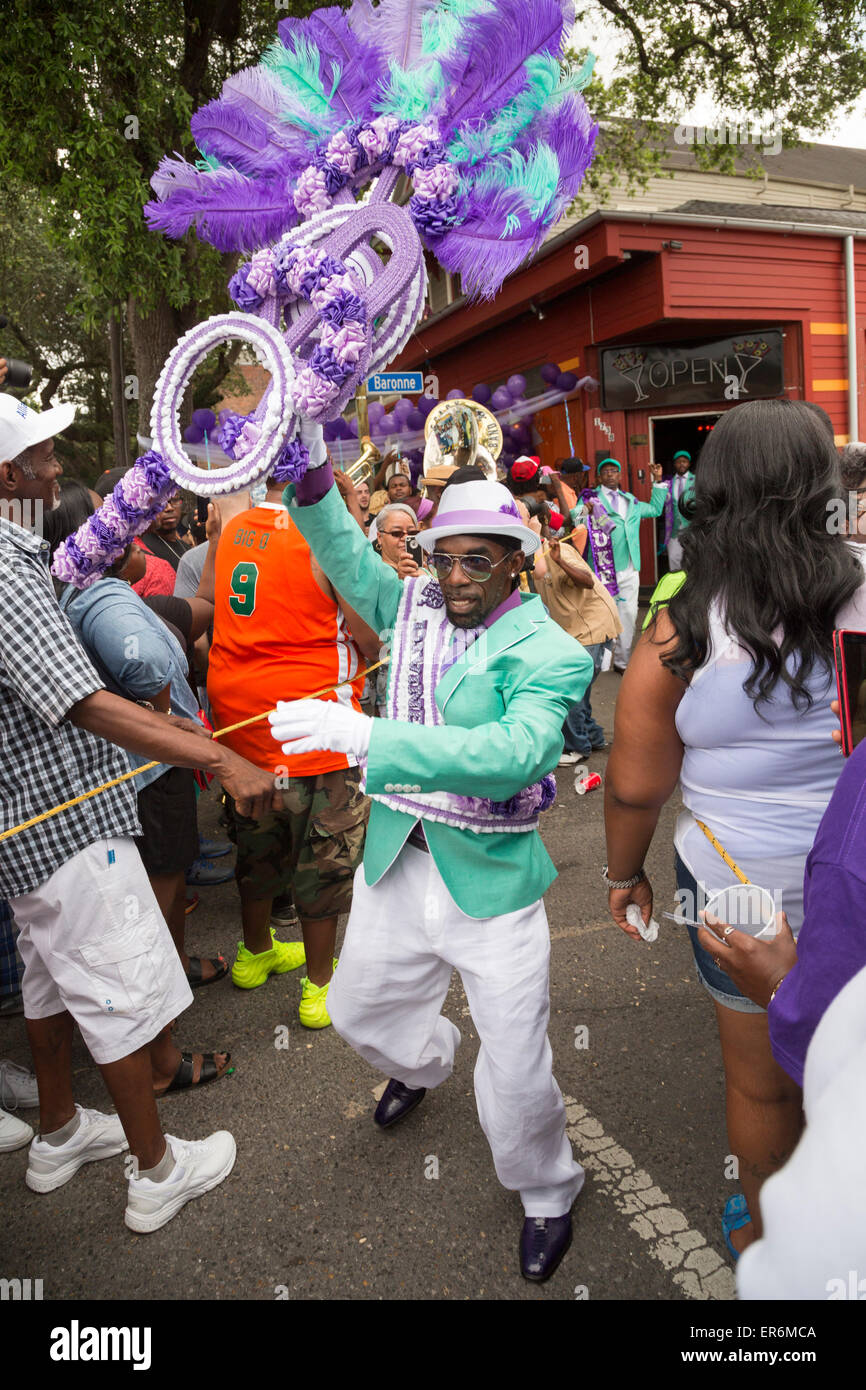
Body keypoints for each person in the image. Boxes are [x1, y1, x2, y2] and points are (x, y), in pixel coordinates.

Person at [269, 423, 594, 1283]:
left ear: (515, 562)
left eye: (474, 560)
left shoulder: (551, 651)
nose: (452, 576)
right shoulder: (411, 601)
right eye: (442, 556)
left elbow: (517, 756)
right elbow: (344, 550)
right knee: (358, 1012)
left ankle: (547, 1191)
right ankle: (425, 1063)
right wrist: (307, 463)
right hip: (395, 861)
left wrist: (372, 736)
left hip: (491, 885)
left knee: (519, 1067)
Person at [0, 394, 279, 1229]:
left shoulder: (24, 553)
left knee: (49, 989)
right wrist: (220, 756)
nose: (57, 468)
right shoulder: (6, 565)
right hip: (65, 826)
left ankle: (58, 1131)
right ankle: (156, 1171)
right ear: (6, 472)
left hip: (28, 833)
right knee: (118, 993)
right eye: (42, 455)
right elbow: (82, 700)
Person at [602, 398, 866, 1261]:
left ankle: (765, 1233)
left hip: (732, 883)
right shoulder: (860, 591)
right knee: (849, 1053)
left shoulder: (679, 619)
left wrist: (621, 874)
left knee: (759, 1086)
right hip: (851, 877)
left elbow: (636, 786)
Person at [207, 464, 377, 1028]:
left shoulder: (233, 525)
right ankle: (320, 986)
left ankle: (254, 953)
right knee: (321, 859)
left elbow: (211, 604)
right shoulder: (325, 537)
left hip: (242, 729)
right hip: (313, 730)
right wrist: (350, 524)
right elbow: (370, 633)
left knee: (258, 845)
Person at [526, 482, 621, 765]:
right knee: (582, 688)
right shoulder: (531, 558)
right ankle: (594, 736)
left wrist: (560, 560)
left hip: (592, 627)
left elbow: (587, 580)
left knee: (573, 689)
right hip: (577, 630)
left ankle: (577, 747)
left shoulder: (557, 549)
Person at [588, 457, 667, 671]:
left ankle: (622, 662)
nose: (611, 474)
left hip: (631, 568)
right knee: (604, 616)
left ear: (620, 475)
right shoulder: (591, 499)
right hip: (604, 569)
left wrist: (657, 481)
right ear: (599, 477)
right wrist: (583, 512)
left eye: (614, 470)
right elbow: (576, 518)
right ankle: (603, 663)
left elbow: (654, 510)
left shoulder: (630, 500)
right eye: (606, 471)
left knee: (629, 615)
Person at [658, 449, 695, 572]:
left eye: (684, 461)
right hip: (674, 530)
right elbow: (660, 500)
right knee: (674, 560)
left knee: (692, 560)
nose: (682, 464)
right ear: (675, 465)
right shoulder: (668, 483)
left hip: (691, 529)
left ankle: (691, 589)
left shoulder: (696, 480)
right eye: (679, 462)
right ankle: (677, 588)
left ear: (689, 464)